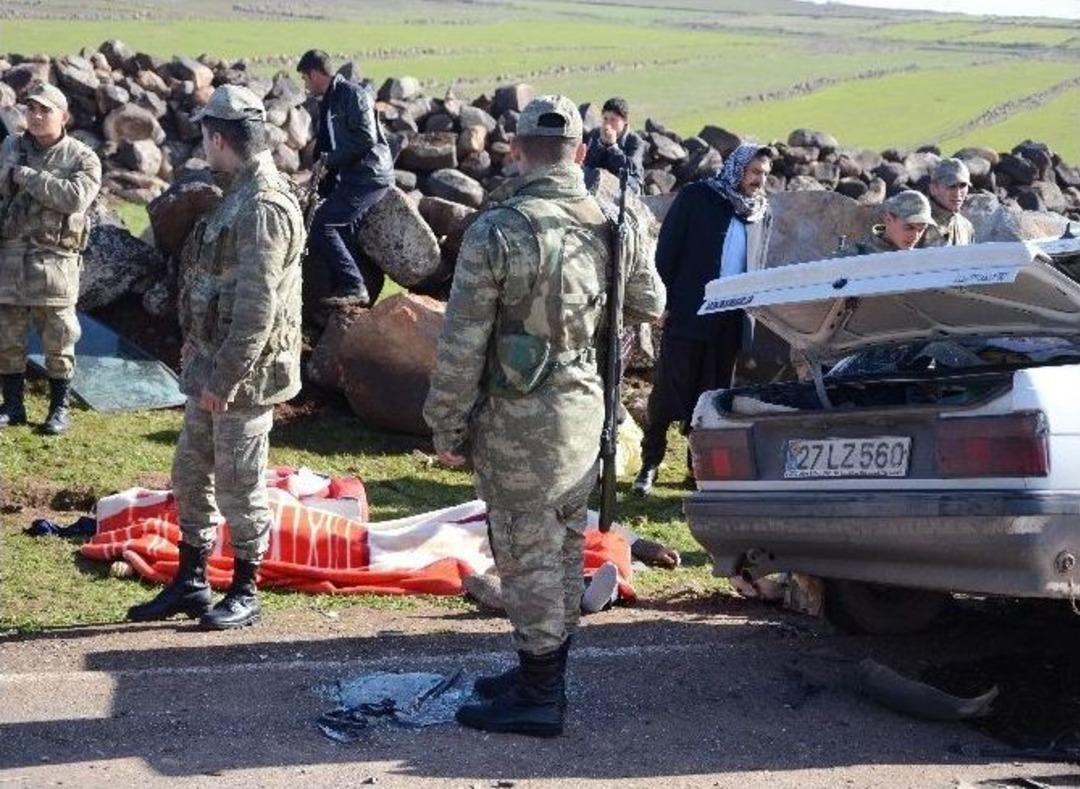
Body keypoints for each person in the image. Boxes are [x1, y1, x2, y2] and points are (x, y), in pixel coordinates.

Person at [423, 95, 665, 737]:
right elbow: (651, 302)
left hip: (519, 420)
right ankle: (542, 669)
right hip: (586, 413)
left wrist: (446, 424)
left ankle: (539, 695)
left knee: (527, 556)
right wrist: (625, 244)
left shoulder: (497, 230)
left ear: (518, 150)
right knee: (559, 548)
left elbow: (462, 342)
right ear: (581, 154)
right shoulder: (611, 223)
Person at [127, 85, 306, 630]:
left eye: (206, 134)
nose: (203, 143)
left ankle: (246, 589)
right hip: (211, 363)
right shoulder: (235, 194)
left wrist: (226, 375)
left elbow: (257, 310)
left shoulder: (263, 207)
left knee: (239, 483)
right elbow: (215, 282)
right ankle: (192, 581)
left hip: (242, 378)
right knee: (189, 474)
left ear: (220, 139)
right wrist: (197, 346)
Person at [633, 142, 773, 496]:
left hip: (729, 320)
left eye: (765, 174)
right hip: (688, 310)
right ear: (738, 167)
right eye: (754, 171)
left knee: (710, 398)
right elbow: (667, 249)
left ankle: (697, 470)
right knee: (668, 390)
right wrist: (661, 301)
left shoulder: (760, 212)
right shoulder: (698, 196)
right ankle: (649, 465)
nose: (759, 180)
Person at [0, 82, 101, 435]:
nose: (37, 116)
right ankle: (12, 406)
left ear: (64, 116)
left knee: (59, 339)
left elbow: (74, 198)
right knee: (6, 337)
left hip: (55, 263)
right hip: (10, 259)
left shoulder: (82, 157)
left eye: (45, 110)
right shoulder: (10, 147)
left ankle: (59, 409)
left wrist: (26, 176)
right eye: (31, 109)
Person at [297, 49, 394, 308]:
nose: (305, 85)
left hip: (369, 176)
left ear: (316, 74)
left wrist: (328, 161)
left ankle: (355, 287)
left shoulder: (353, 95)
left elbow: (366, 138)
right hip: (354, 177)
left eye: (305, 79)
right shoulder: (329, 100)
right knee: (340, 227)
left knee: (324, 225)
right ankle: (356, 292)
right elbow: (328, 146)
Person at [842, 189, 935, 255]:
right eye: (909, 228)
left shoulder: (922, 258)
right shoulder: (857, 255)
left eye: (921, 230)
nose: (915, 236)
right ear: (888, 220)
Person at [582, 97, 645, 194]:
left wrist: (612, 147)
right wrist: (601, 144)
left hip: (628, 185)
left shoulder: (635, 141)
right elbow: (590, 163)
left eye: (613, 120)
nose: (608, 124)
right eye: (605, 119)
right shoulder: (596, 134)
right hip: (601, 183)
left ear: (624, 122)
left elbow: (630, 169)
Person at [920, 158, 974, 248]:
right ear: (933, 189)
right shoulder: (917, 224)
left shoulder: (966, 226)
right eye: (951, 186)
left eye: (963, 185)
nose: (957, 193)